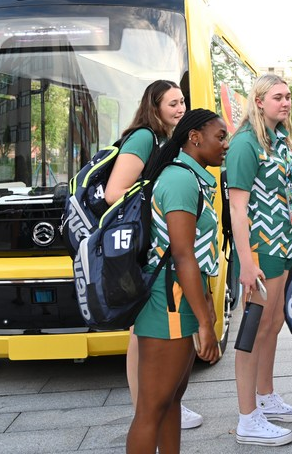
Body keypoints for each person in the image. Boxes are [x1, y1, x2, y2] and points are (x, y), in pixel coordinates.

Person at [101, 79, 202, 430]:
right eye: (172, 103)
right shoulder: (145, 136)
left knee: (140, 328)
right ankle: (145, 406)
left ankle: (157, 403)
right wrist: (155, 208)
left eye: (183, 102)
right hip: (137, 246)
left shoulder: (166, 140)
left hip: (148, 244)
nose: (180, 108)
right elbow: (114, 192)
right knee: (139, 331)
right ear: (154, 106)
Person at [125, 109, 227, 453]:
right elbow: (183, 255)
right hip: (168, 301)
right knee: (151, 409)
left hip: (178, 298)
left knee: (170, 402)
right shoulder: (180, 180)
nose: (225, 144)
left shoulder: (189, 177)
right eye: (221, 136)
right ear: (194, 137)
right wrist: (205, 323)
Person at [226, 74, 292, 446]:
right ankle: (248, 418)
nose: (286, 102)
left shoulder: (282, 142)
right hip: (261, 250)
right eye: (278, 96)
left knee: (274, 323)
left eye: (289, 96)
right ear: (259, 101)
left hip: (285, 245)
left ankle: (266, 397)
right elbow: (237, 206)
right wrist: (246, 262)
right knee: (254, 329)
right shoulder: (245, 144)